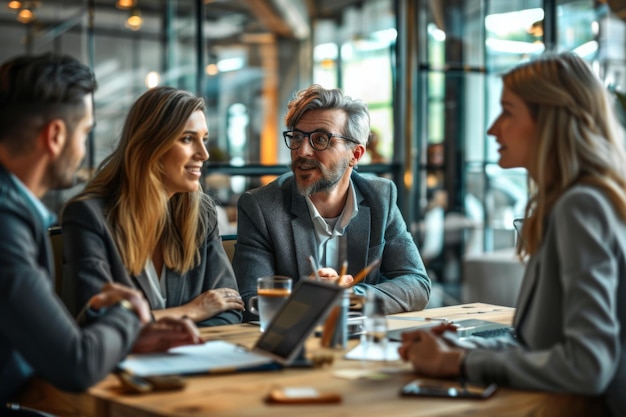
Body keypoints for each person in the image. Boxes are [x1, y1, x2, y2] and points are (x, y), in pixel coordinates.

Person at [399, 52, 626, 417]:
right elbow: (543, 347)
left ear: (549, 118)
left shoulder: (581, 205)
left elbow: (587, 365)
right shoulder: (573, 202)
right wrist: (463, 347)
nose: (492, 128)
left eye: (507, 111)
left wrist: (458, 364)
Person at [0, 53, 201, 411]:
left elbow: (62, 345)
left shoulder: (17, 211)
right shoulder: (6, 224)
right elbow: (76, 363)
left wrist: (122, 335)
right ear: (56, 136)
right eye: (86, 132)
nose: (84, 149)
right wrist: (128, 310)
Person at [233, 84, 431, 321]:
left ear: (355, 155)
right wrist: (309, 297)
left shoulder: (381, 196)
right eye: (297, 137)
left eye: (320, 139)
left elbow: (417, 284)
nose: (302, 151)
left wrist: (350, 296)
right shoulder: (261, 206)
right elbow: (251, 301)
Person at [61, 86, 244, 327]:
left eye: (204, 139)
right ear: (150, 145)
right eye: (188, 139)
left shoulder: (202, 212)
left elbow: (229, 310)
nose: (204, 153)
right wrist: (192, 311)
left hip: (194, 359)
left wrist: (171, 336)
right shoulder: (89, 216)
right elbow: (99, 321)